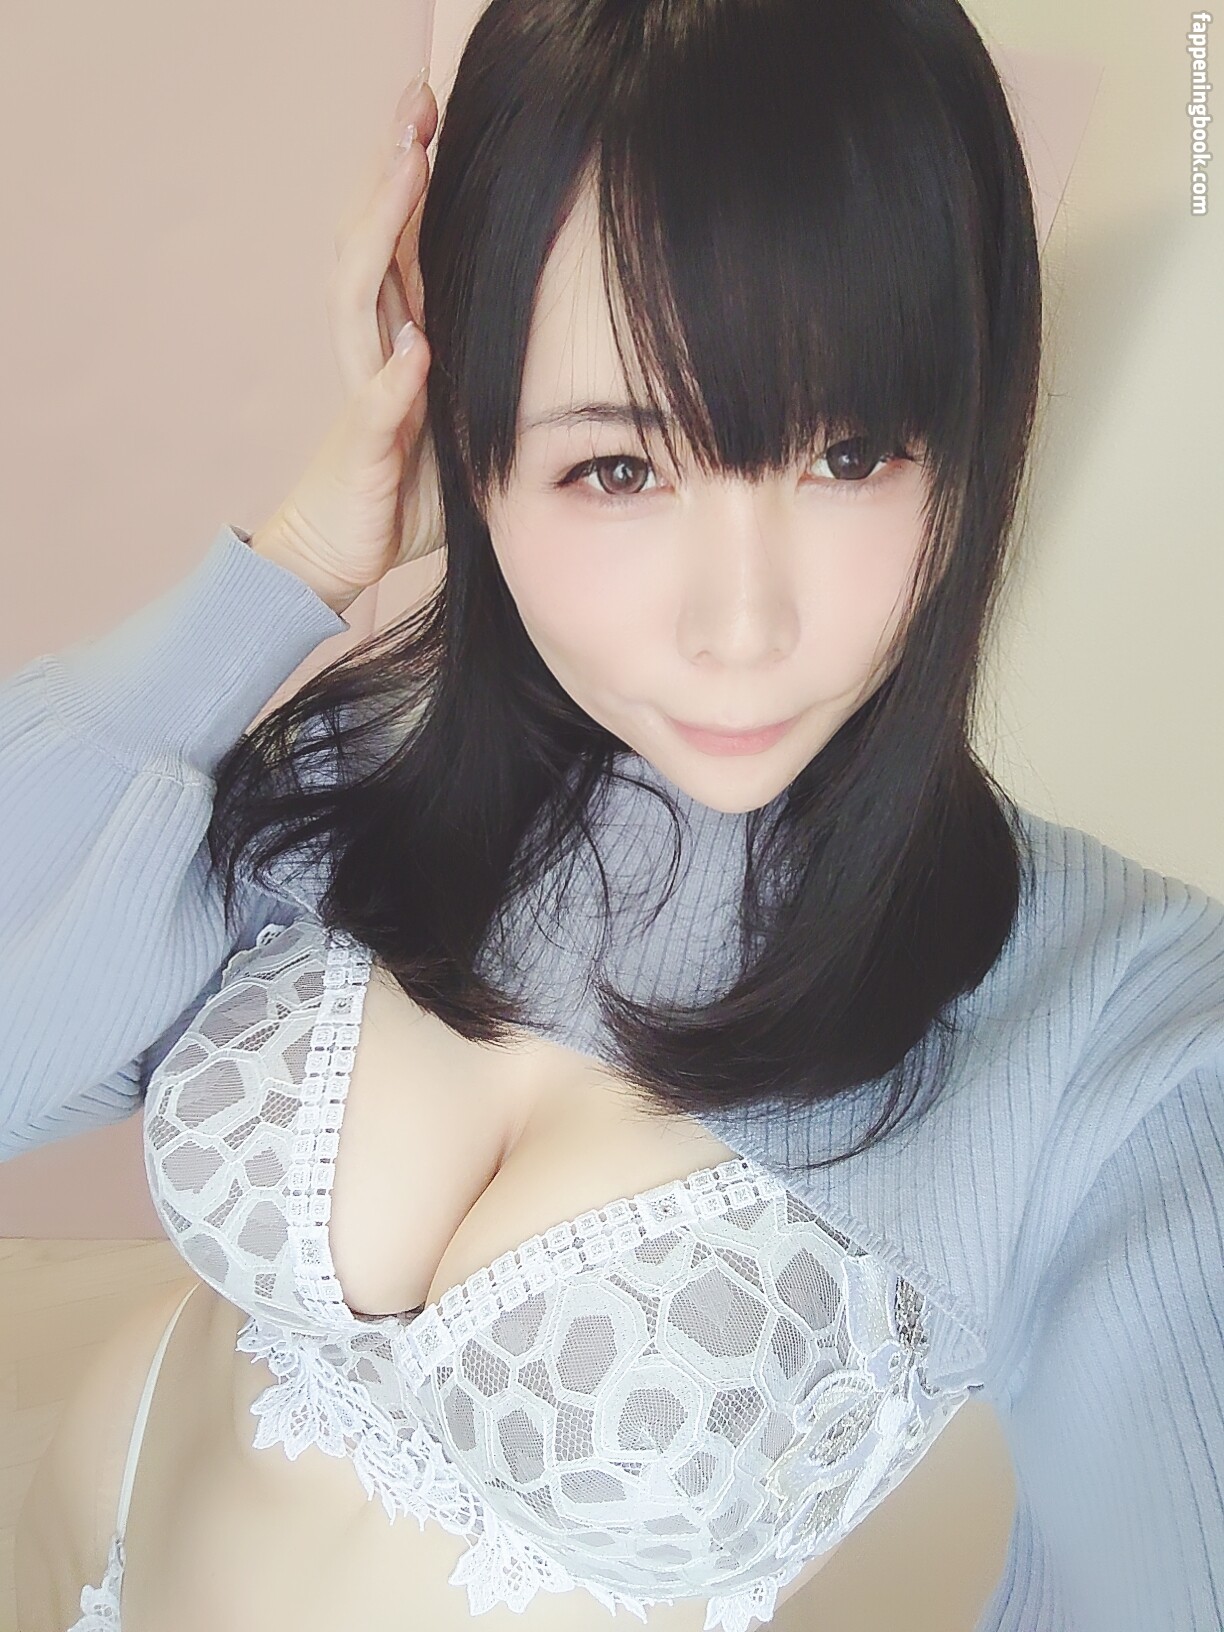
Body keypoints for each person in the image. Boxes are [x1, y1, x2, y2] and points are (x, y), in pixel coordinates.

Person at [4, 0, 1223, 1628]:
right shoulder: (369, 759)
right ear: (473, 440)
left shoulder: (1125, 1030)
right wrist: (292, 561)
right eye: (621, 469)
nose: (742, 625)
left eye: (849, 453)